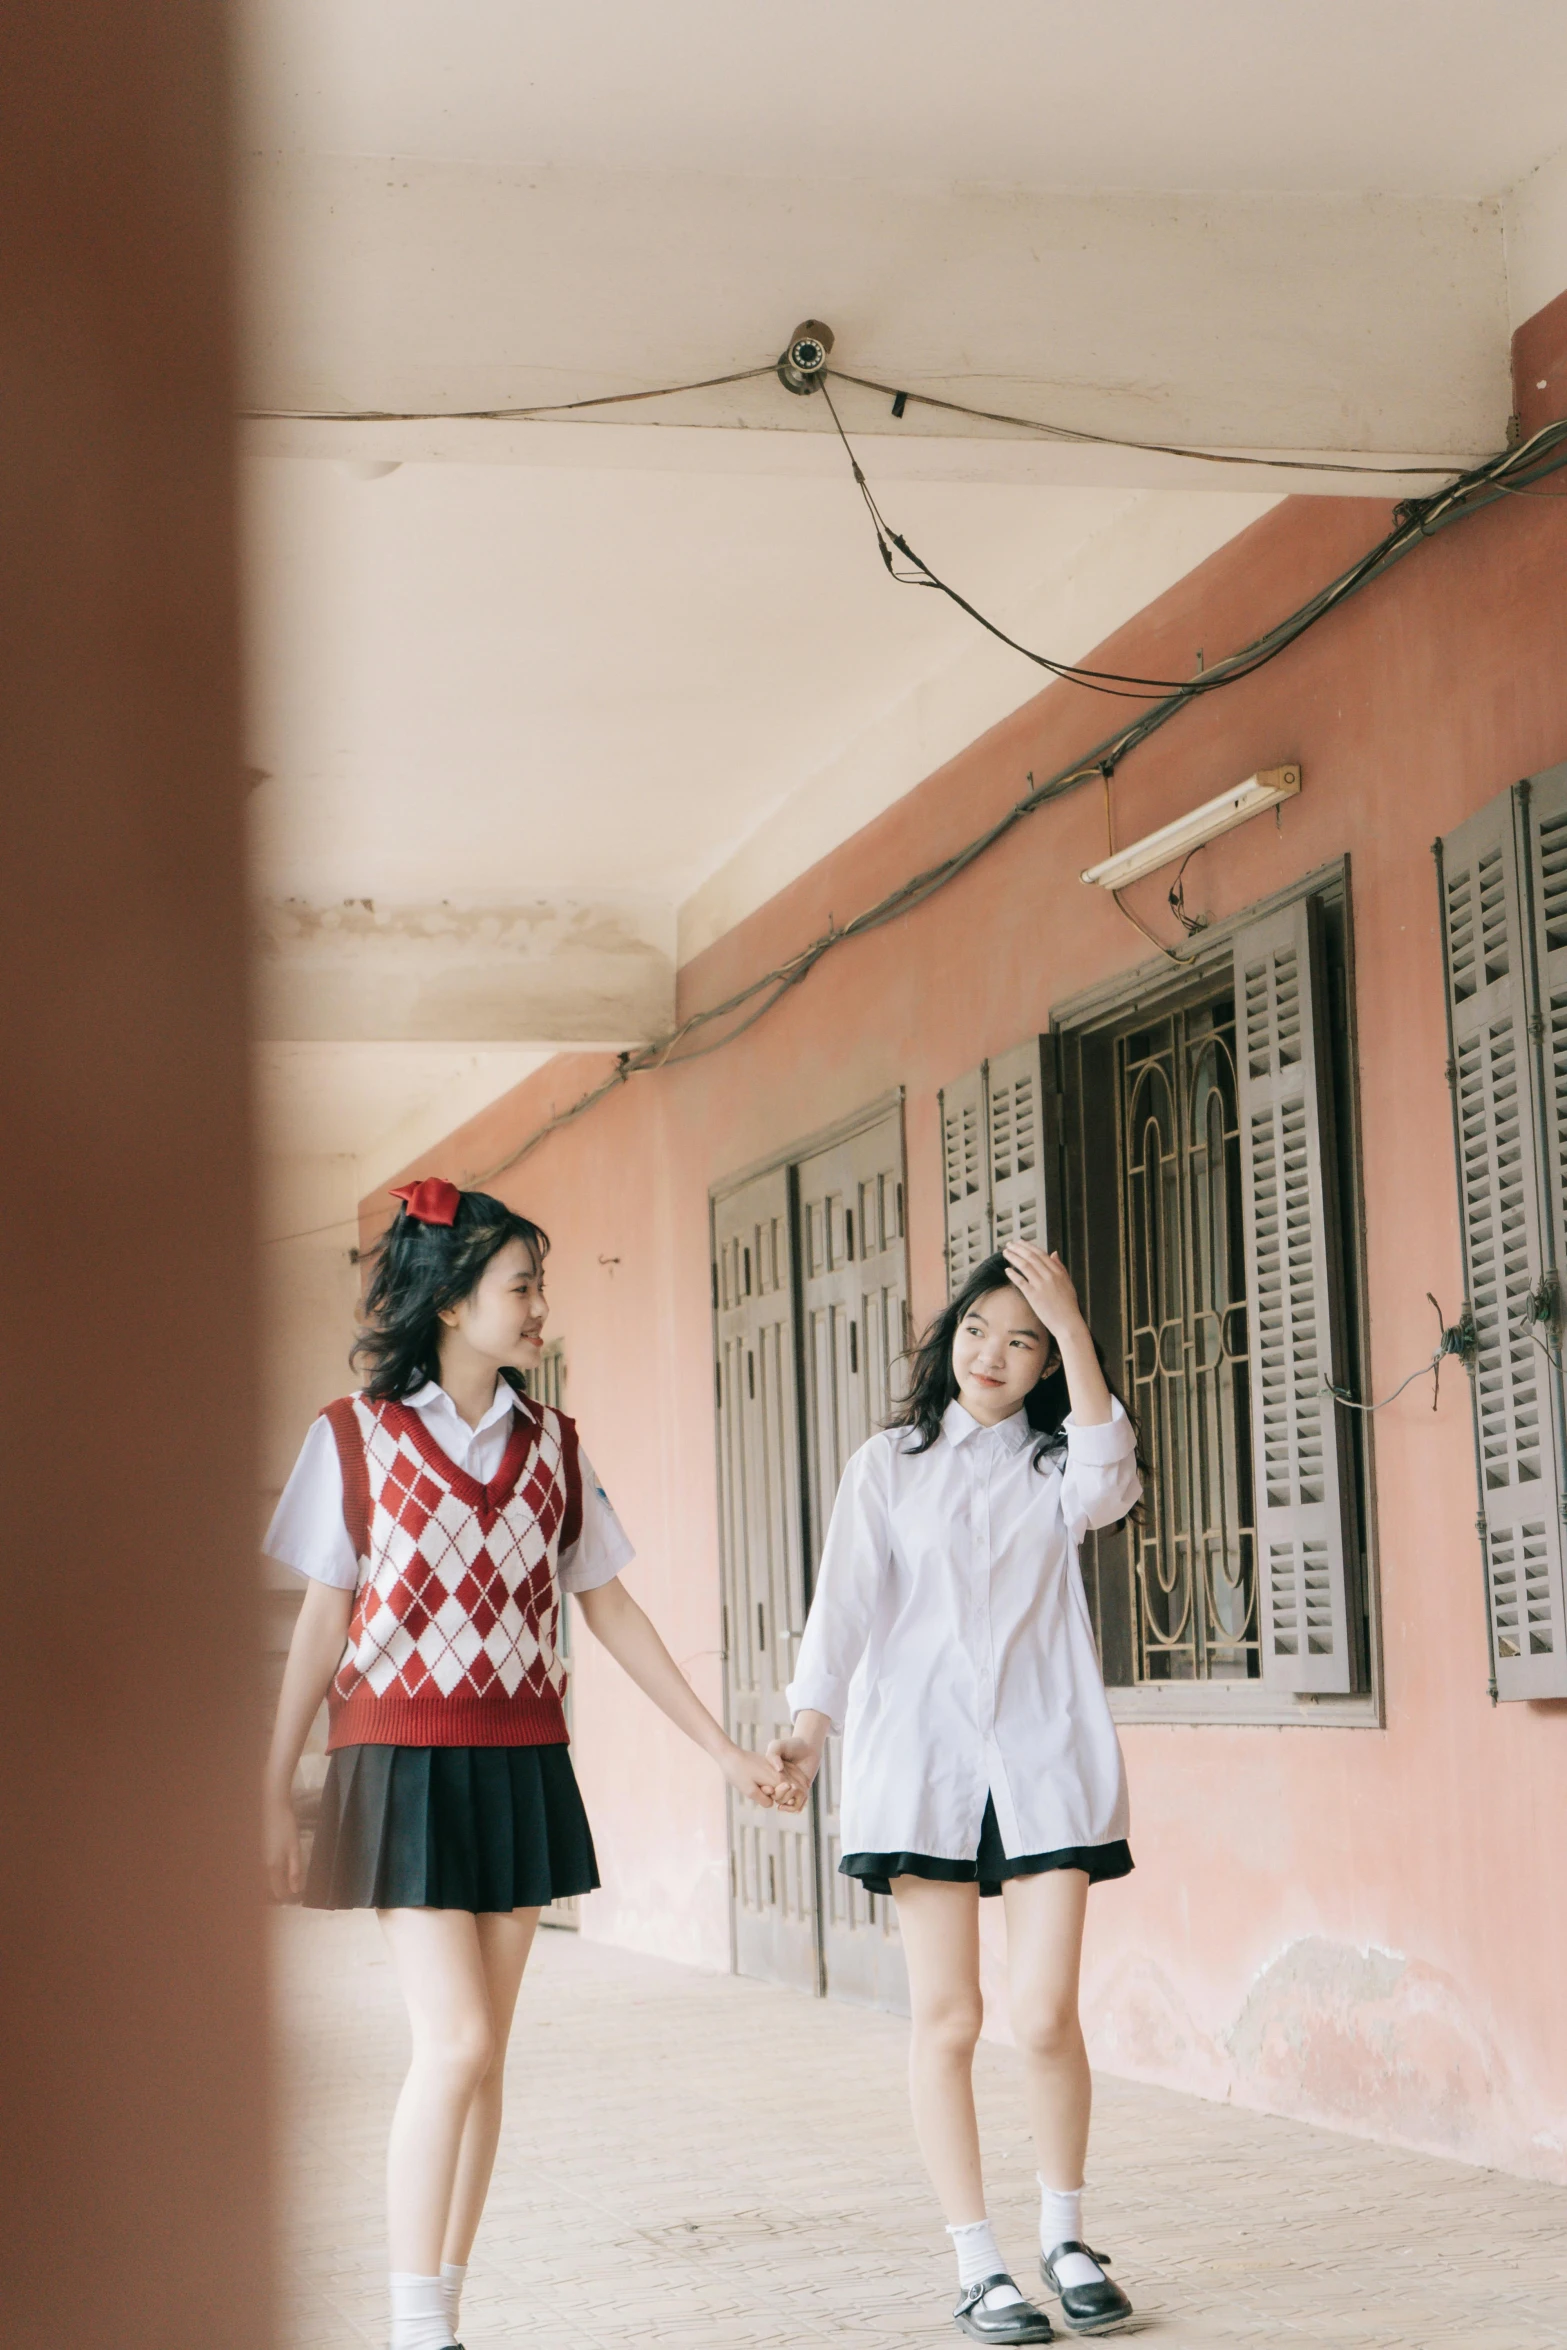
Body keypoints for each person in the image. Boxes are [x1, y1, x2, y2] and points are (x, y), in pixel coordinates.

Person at [262, 1177, 786, 2350]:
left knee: (486, 2056)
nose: (540, 1304)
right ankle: (412, 2329)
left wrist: (723, 1749)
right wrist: (270, 1784)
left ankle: (445, 2311)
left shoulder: (554, 1443)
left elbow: (610, 1610)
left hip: (519, 1758)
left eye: (539, 1284)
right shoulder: (350, 1435)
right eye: (522, 1284)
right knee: (451, 2042)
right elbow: (319, 1620)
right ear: (451, 1300)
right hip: (397, 1760)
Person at [769, 1240, 1141, 2343]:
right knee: (948, 2018)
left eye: (1022, 1340)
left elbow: (1110, 1483)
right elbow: (838, 1612)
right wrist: (805, 1734)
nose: (994, 1352)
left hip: (1041, 1762)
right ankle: (977, 2261)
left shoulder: (1055, 1466)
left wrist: (1074, 1326)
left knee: (1041, 2013)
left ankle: (1066, 2233)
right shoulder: (887, 1464)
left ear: (1042, 1364)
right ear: (949, 1341)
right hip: (921, 1767)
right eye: (979, 1330)